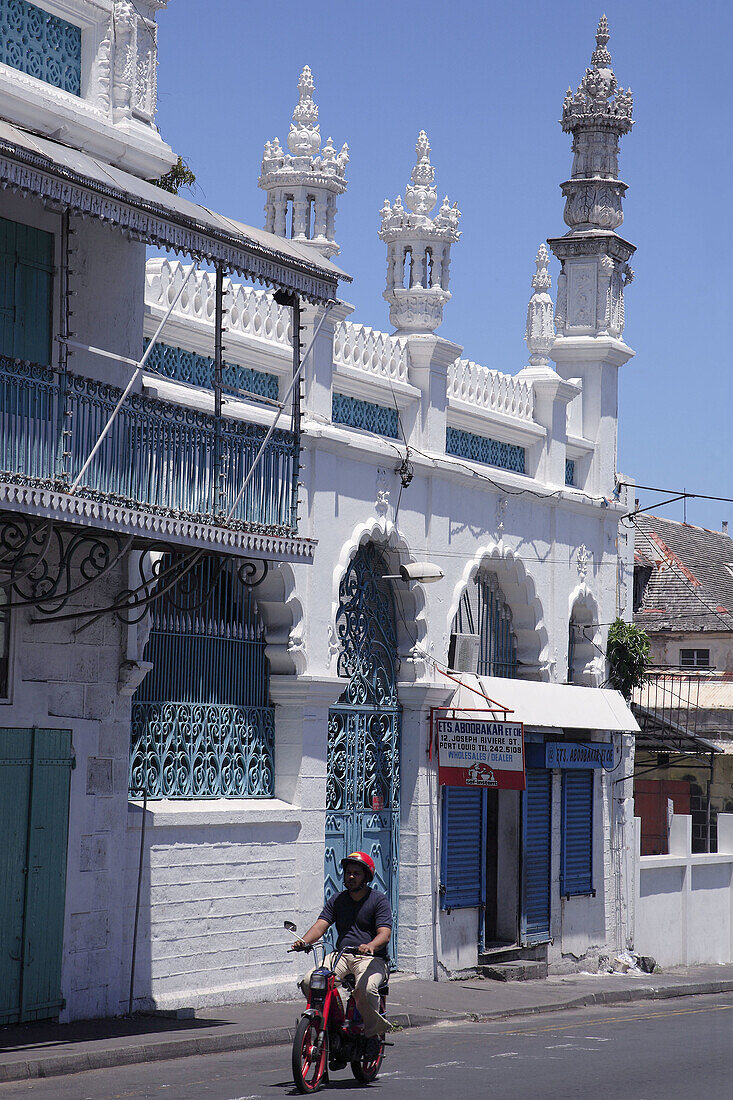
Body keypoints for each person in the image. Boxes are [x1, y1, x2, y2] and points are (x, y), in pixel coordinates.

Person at [292, 851, 392, 1059]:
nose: (351, 877)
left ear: (367, 877)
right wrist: (304, 941)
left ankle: (373, 1035)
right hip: (342, 955)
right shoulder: (337, 900)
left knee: (366, 989)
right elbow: (321, 925)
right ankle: (329, 1023)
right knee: (310, 981)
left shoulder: (378, 901)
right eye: (348, 873)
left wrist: (371, 945)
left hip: (370, 958)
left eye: (356, 873)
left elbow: (385, 933)